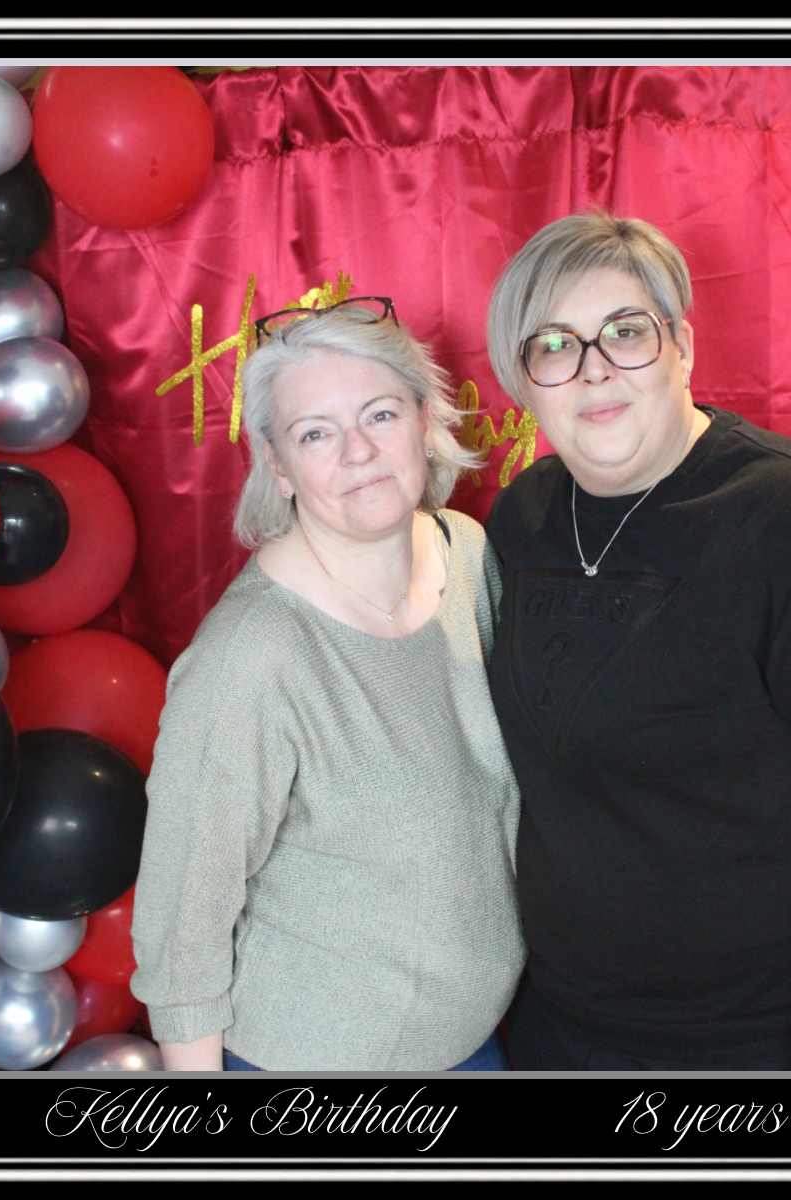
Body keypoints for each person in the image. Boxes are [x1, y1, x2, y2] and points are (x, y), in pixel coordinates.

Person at [482, 213, 791, 1071]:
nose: (594, 367)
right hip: (555, 1029)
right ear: (526, 383)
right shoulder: (520, 520)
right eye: (553, 345)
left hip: (753, 1047)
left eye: (625, 332)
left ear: (683, 349)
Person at [129, 299, 523, 1071]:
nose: (358, 452)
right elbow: (184, 921)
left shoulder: (467, 553)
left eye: (379, 414)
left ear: (423, 417)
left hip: (474, 1044)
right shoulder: (253, 655)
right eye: (315, 433)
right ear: (277, 465)